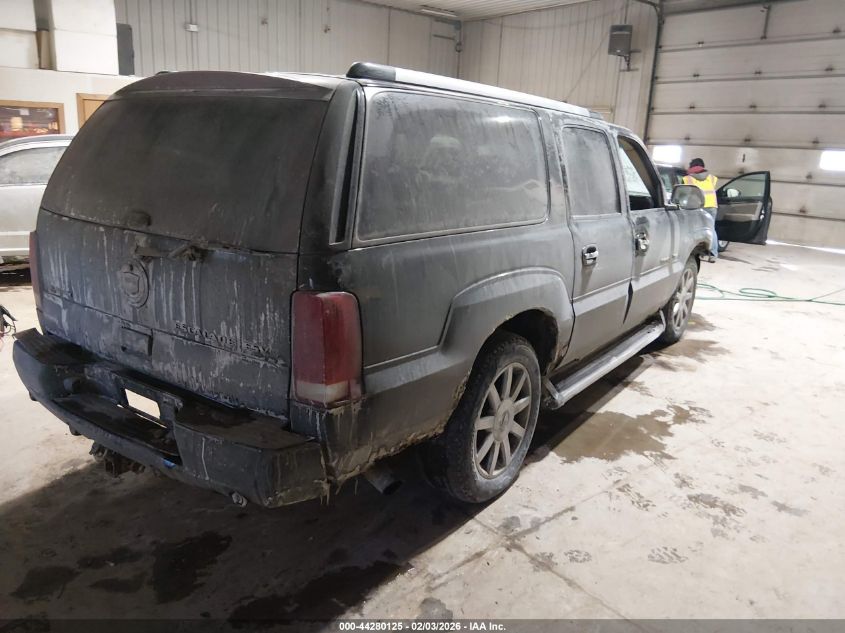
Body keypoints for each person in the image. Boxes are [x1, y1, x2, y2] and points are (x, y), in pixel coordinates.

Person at [684, 158, 719, 260]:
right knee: (711, 229)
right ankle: (713, 254)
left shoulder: (688, 178)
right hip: (712, 205)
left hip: (698, 206)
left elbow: (684, 193)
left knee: (694, 229)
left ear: (692, 167)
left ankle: (694, 251)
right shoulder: (712, 178)